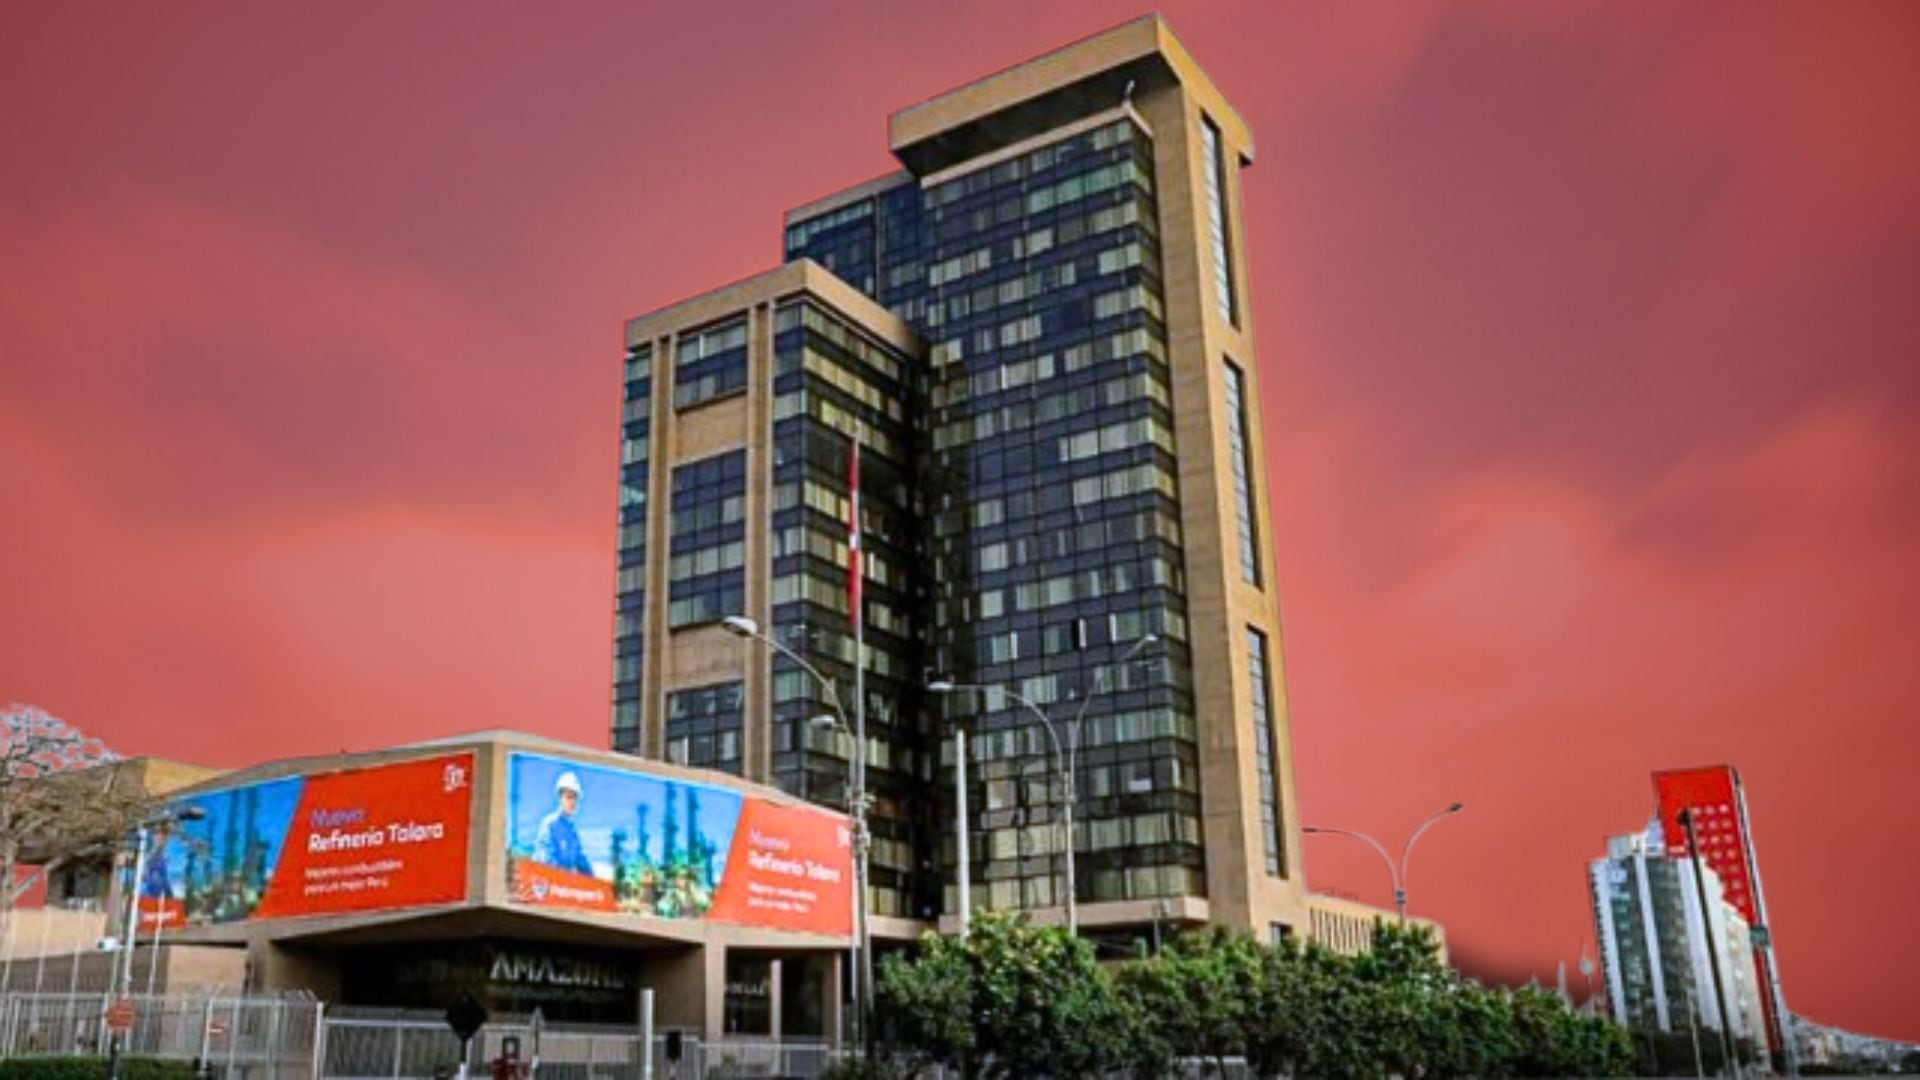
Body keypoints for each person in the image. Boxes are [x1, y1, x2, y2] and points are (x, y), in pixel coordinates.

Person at [533, 772, 595, 876]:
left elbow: (581, 860)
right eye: (569, 797)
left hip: (564, 886)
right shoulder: (549, 824)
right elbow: (546, 860)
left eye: (575, 798)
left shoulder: (572, 831)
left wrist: (594, 881)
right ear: (560, 798)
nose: (573, 802)